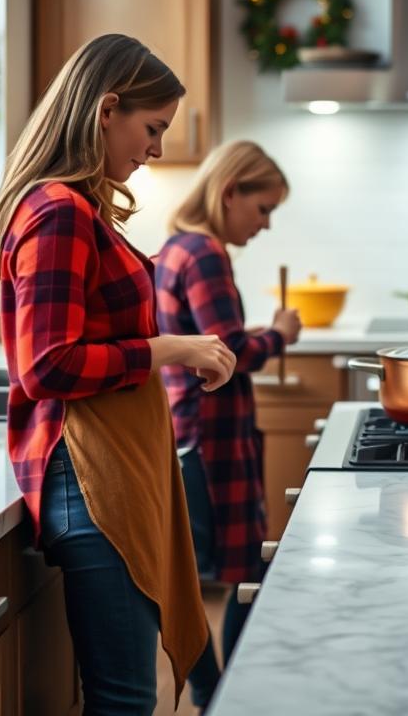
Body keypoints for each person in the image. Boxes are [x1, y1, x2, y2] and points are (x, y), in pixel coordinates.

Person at [0, 33, 236, 714]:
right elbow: (48, 364)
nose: (155, 149)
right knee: (124, 699)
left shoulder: (74, 206)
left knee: (122, 694)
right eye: (152, 128)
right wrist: (172, 349)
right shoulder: (59, 211)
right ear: (106, 108)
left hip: (107, 472)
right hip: (89, 478)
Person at [154, 140, 302, 708]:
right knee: (244, 573)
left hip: (191, 435)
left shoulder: (174, 249)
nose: (265, 226)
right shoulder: (205, 254)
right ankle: (227, 694)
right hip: (213, 441)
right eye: (263, 209)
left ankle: (216, 691)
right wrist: (280, 335)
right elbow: (229, 350)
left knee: (192, 584)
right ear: (229, 192)